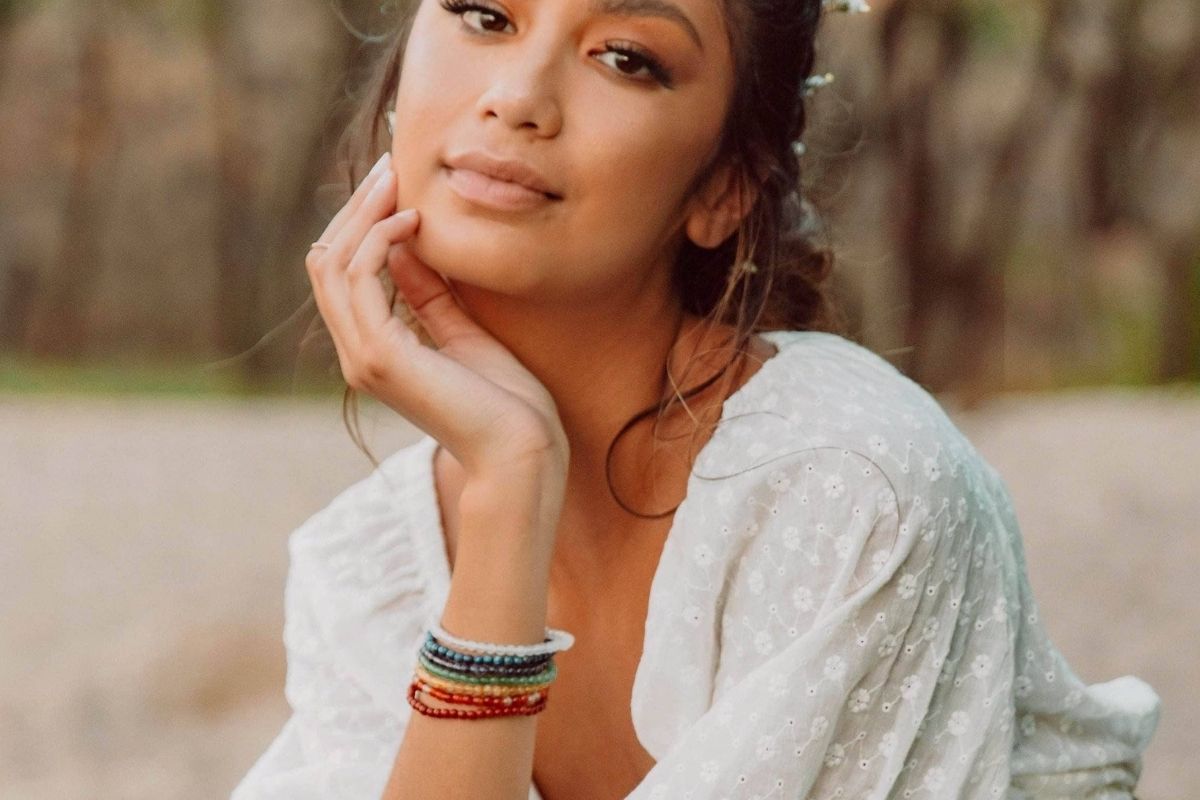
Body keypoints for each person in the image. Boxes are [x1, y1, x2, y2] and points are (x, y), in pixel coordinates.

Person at [231, 0, 1161, 797]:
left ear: (722, 189)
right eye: (484, 15)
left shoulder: (851, 490)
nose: (516, 97)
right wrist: (512, 484)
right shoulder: (367, 567)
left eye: (626, 59)